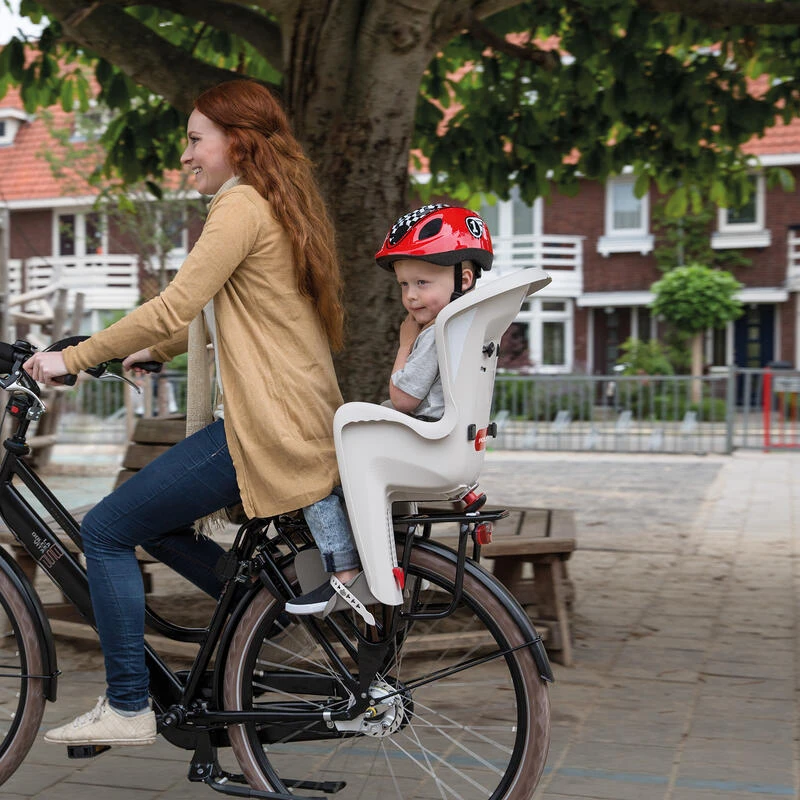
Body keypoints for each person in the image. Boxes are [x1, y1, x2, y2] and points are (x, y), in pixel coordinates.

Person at [23, 78, 359, 747]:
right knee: (157, 523)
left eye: (194, 138)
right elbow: (220, 311)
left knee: (109, 528)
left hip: (268, 427)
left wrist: (75, 358)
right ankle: (262, 608)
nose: (185, 154)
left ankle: (127, 707)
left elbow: (176, 303)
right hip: (293, 416)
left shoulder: (238, 207)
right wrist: (153, 350)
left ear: (235, 142)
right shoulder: (272, 203)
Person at [374, 204, 494, 420]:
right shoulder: (467, 327)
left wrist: (405, 345)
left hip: (425, 437)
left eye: (422, 282)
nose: (410, 295)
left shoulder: (438, 333)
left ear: (464, 280)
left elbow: (403, 400)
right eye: (404, 284)